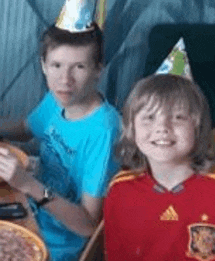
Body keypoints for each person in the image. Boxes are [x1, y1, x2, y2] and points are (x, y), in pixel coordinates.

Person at [0, 15, 121, 261]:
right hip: (27, 210)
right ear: (44, 65)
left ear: (99, 69)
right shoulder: (58, 99)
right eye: (56, 65)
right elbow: (27, 127)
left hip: (57, 242)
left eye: (79, 67)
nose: (65, 79)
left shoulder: (104, 132)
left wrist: (27, 184)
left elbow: (88, 225)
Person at [104, 73, 215, 261]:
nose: (162, 127)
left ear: (197, 127)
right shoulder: (120, 190)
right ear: (131, 129)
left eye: (178, 117)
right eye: (149, 117)